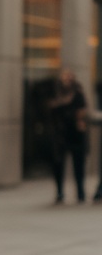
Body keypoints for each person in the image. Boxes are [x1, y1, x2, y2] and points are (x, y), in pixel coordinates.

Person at [48, 67, 88, 203]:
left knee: (79, 164)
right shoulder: (55, 92)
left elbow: (82, 110)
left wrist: (81, 123)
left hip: (76, 133)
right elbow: (50, 107)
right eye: (65, 76)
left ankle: (80, 192)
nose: (67, 79)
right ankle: (59, 192)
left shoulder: (78, 92)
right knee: (58, 164)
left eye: (69, 76)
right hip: (60, 133)